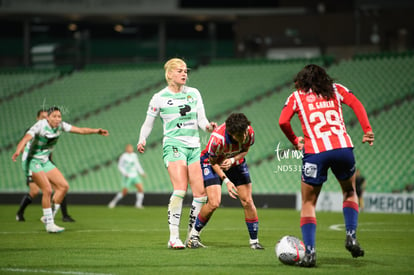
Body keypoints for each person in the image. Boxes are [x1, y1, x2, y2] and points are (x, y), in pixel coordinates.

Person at [279, 64, 374, 267]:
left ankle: (311, 254)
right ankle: (351, 235)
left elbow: (283, 121)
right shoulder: (337, 89)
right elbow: (357, 104)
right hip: (343, 148)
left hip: (315, 153)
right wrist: (366, 129)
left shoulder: (296, 97)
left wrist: (295, 141)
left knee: (308, 203)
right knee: (349, 192)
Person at [137, 58, 217, 249]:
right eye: (180, 71)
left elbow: (201, 119)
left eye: (185, 71)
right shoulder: (159, 97)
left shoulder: (194, 93)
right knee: (180, 189)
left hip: (194, 146)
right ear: (170, 74)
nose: (184, 74)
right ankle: (174, 237)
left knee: (200, 194)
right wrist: (142, 139)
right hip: (174, 145)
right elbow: (148, 123)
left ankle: (191, 235)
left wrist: (208, 127)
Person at [12, 106, 109, 233]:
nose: (57, 119)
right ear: (48, 117)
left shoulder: (61, 126)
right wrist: (18, 151)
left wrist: (96, 131)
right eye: (54, 116)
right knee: (47, 189)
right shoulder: (39, 126)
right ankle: (49, 225)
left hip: (44, 160)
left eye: (59, 116)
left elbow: (80, 130)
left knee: (63, 186)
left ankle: (48, 217)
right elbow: (25, 138)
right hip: (32, 160)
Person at [187, 113, 264, 250]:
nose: (244, 136)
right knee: (214, 202)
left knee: (247, 200)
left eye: (245, 132)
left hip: (235, 162)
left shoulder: (249, 132)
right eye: (240, 135)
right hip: (212, 163)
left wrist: (233, 160)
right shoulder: (218, 139)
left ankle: (254, 242)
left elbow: (245, 149)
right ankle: (193, 236)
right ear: (231, 134)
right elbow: (213, 161)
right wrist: (227, 180)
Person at [16, 109, 75, 222]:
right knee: (34, 191)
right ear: (38, 119)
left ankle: (63, 215)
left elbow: (48, 150)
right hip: (33, 164)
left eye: (45, 117)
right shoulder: (35, 130)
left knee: (60, 187)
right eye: (42, 117)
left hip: (45, 164)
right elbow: (25, 145)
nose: (45, 119)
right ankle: (20, 212)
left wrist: (50, 162)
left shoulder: (52, 129)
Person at [108, 144, 146, 209]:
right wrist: (124, 173)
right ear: (126, 149)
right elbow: (120, 166)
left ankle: (138, 204)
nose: (130, 149)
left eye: (131, 148)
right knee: (124, 191)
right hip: (127, 176)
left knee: (140, 188)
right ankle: (113, 202)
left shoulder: (134, 155)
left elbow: (137, 164)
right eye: (129, 148)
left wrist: (141, 172)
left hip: (135, 175)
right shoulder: (123, 156)